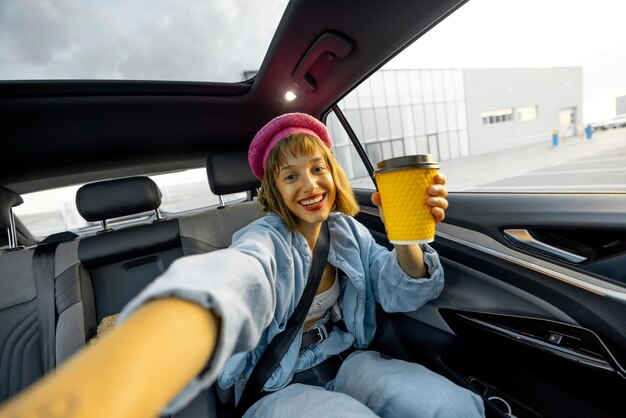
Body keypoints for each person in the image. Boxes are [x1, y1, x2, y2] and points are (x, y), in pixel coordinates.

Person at [0, 113, 484, 418]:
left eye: (317, 169)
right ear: (274, 190)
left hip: (347, 360)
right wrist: (158, 335)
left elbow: (400, 292)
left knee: (451, 405)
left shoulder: (350, 231)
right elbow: (237, 278)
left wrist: (408, 237)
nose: (310, 185)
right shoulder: (264, 239)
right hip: (275, 385)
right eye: (290, 176)